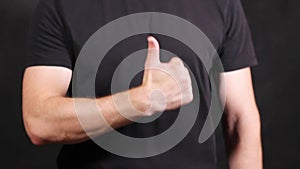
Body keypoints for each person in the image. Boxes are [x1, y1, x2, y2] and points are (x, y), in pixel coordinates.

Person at [22, 0, 262, 168]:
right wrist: (140, 101)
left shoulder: (220, 3)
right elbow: (40, 122)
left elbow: (240, 120)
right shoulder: (61, 5)